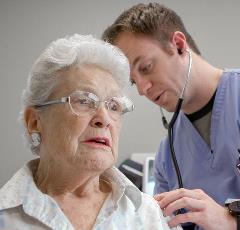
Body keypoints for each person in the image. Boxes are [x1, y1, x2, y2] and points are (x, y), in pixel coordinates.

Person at [0, 34, 182, 230]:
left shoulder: (149, 215)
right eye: (84, 101)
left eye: (113, 106)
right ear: (34, 122)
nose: (103, 119)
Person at [102, 2, 240, 230]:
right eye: (134, 81)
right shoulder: (167, 157)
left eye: (145, 67)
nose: (142, 89)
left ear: (178, 44)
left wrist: (230, 220)